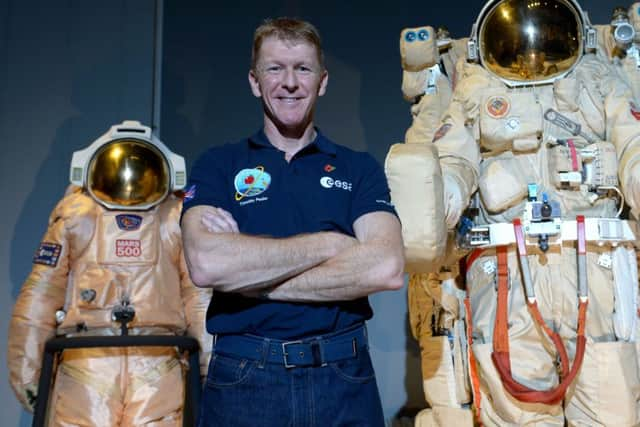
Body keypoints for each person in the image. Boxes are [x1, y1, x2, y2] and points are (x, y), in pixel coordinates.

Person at [395, 0, 640, 425]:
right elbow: (454, 161)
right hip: (505, 273)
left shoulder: (600, 79)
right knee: (517, 414)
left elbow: (633, 146)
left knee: (610, 407)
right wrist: (440, 203)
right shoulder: (475, 88)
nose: (532, 53)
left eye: (545, 37)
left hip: (595, 269)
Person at [180, 17, 405, 427]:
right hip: (244, 376)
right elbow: (207, 264)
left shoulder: (359, 169)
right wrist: (330, 244)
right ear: (254, 81)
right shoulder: (218, 165)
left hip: (343, 375)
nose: (289, 82)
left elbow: (385, 267)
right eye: (275, 68)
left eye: (302, 68)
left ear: (321, 81)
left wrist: (250, 277)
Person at [8, 120, 212, 426]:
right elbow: (199, 301)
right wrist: (208, 372)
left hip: (103, 363)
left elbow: (38, 295)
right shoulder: (79, 217)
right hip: (137, 364)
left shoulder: (171, 219)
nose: (128, 180)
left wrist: (28, 375)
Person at [386, 25, 474, 426]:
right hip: (440, 274)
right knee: (448, 398)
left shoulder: (476, 105)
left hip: (484, 265)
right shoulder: (429, 128)